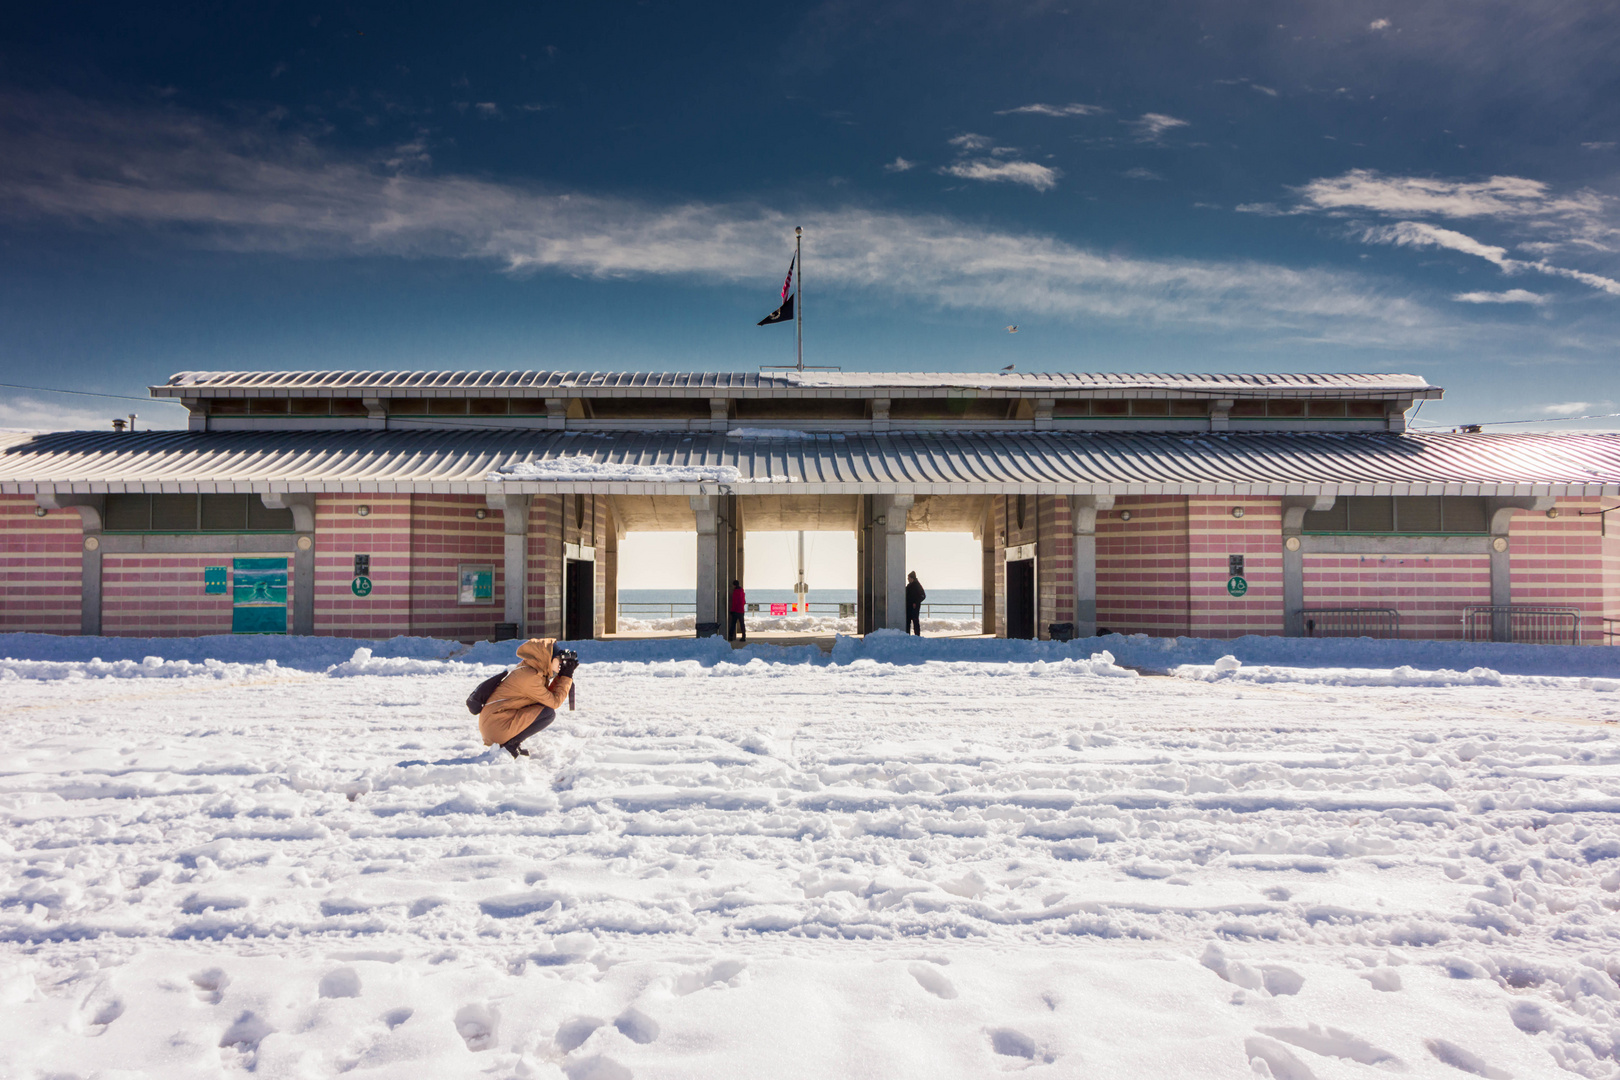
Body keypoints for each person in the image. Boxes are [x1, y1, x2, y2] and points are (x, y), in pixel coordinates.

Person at [478, 637, 577, 759]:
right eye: (559, 660)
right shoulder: (530, 678)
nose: (561, 664)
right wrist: (566, 676)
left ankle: (510, 743)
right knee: (548, 713)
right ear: (548, 658)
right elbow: (554, 702)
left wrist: (562, 675)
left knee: (544, 709)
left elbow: (546, 697)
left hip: (496, 721)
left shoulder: (532, 671)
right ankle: (509, 745)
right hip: (496, 725)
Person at [905, 571, 926, 636]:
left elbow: (923, 596)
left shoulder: (917, 585)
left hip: (914, 606)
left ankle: (917, 635)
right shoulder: (909, 586)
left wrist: (916, 602)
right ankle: (907, 634)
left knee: (915, 620)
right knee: (907, 621)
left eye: (908, 578)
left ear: (912, 578)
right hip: (908, 606)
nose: (907, 579)